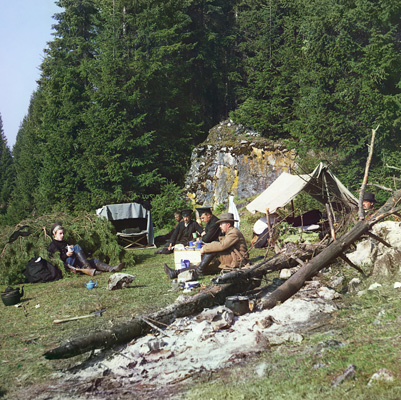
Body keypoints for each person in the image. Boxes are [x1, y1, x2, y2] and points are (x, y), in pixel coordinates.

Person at [163, 212, 248, 279]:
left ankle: (198, 270)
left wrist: (205, 248)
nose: (220, 226)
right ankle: (175, 272)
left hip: (237, 259)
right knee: (202, 265)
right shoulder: (230, 232)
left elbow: (222, 245)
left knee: (210, 252)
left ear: (228, 225)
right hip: (230, 257)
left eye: (221, 224)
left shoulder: (234, 233)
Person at [47, 223, 125, 276]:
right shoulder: (53, 245)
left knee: (94, 260)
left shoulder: (64, 242)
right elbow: (56, 261)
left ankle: (111, 268)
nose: (62, 235)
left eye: (63, 233)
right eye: (60, 233)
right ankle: (89, 269)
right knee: (77, 247)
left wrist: (70, 248)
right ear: (54, 234)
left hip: (75, 261)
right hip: (67, 265)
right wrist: (66, 255)